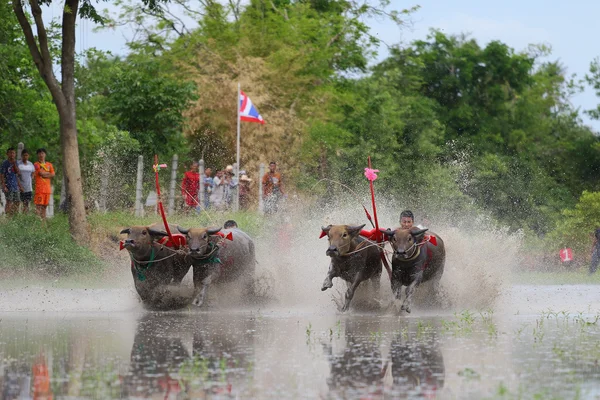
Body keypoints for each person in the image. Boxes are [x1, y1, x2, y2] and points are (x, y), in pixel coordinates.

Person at [33, 148, 55, 219]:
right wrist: (48, 174)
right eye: (39, 153)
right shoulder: (36, 164)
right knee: (38, 207)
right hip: (39, 190)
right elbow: (40, 173)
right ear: (37, 155)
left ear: (45, 154)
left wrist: (46, 174)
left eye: (42, 153)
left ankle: (43, 225)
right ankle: (36, 223)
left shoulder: (49, 164)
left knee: (44, 208)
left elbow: (53, 174)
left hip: (47, 190)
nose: (41, 155)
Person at [0, 147, 22, 216]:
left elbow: (18, 173)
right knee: (9, 201)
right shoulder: (5, 163)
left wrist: (19, 186)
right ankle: (7, 217)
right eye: (10, 153)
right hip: (8, 185)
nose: (12, 154)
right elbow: (1, 175)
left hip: (15, 185)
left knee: (17, 201)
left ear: (15, 154)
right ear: (7, 154)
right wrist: (4, 185)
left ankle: (12, 215)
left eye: (13, 153)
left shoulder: (16, 163)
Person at [17, 149, 35, 213]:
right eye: (24, 155)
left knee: (26, 204)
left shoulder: (30, 164)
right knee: (18, 203)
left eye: (27, 155)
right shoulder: (18, 164)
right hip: (20, 187)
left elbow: (33, 172)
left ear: (28, 156)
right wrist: (20, 186)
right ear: (21, 156)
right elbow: (16, 176)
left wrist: (31, 177)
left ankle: (25, 217)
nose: (25, 157)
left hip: (28, 188)